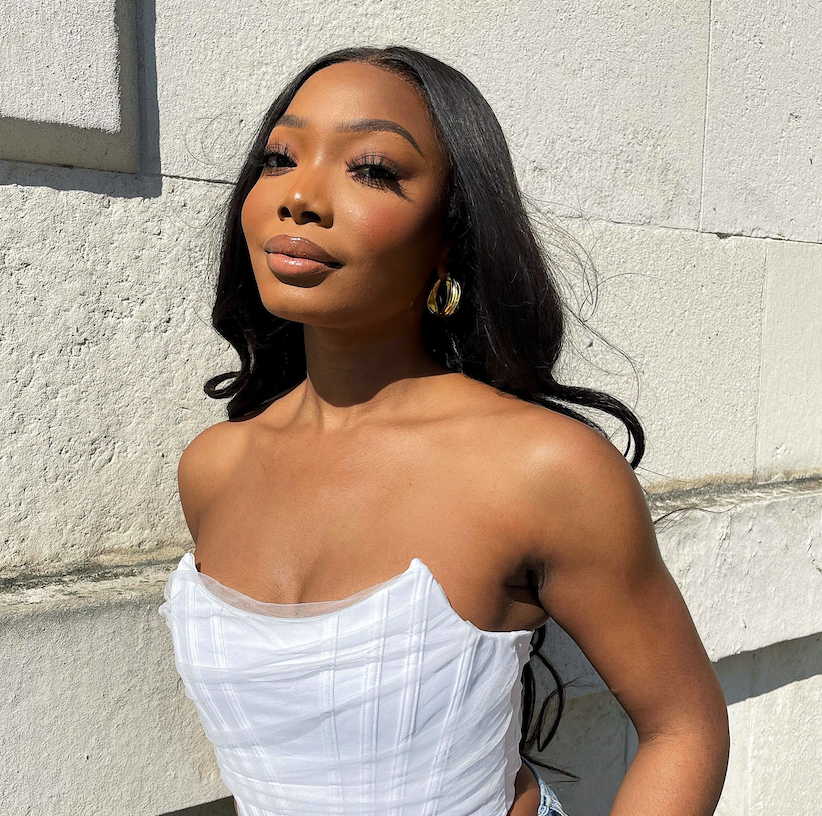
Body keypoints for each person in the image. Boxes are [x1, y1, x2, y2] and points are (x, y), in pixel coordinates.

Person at [158, 45, 730, 816]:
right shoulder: (213, 467)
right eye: (279, 157)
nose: (299, 196)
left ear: (450, 237)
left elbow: (683, 727)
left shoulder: (543, 468)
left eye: (371, 169)